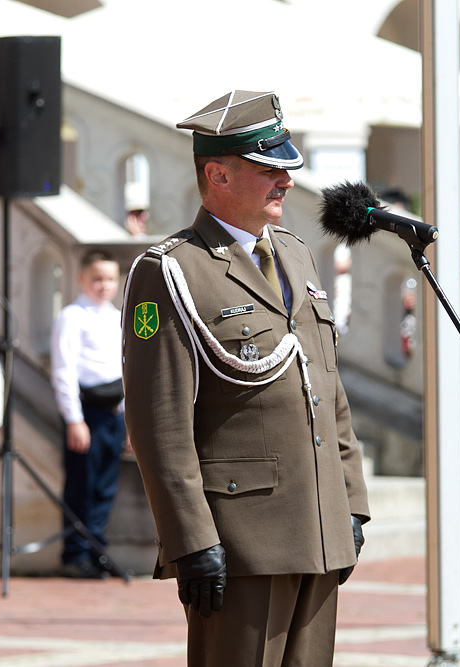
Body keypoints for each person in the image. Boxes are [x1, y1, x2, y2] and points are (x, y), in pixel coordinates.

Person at [121, 90, 370, 666]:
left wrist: (351, 502)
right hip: (240, 538)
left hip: (319, 525)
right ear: (218, 174)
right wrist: (191, 540)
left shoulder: (297, 255)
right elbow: (160, 424)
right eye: (268, 169)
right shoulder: (172, 271)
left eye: (285, 168)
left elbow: (328, 389)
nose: (285, 181)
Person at [50, 250, 126, 578]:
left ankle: (97, 549)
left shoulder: (118, 317)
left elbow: (127, 369)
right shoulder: (72, 316)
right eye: (96, 279)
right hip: (87, 413)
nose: (103, 286)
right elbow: (63, 370)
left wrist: (128, 419)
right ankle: (75, 553)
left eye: (109, 279)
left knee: (106, 487)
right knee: (82, 484)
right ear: (81, 279)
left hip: (114, 413)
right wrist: (74, 419)